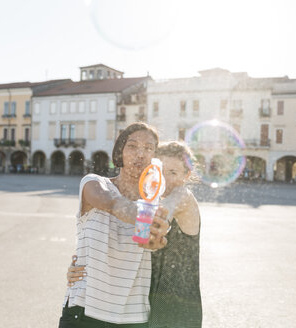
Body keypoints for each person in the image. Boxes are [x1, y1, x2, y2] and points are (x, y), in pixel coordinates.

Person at [68, 141, 203, 328]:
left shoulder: (184, 199)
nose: (165, 180)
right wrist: (81, 267)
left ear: (186, 175)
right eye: (160, 172)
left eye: (173, 173)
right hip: (147, 314)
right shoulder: (143, 206)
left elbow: (175, 202)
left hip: (179, 313)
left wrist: (160, 216)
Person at [59, 123, 170, 328]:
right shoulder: (94, 183)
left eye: (148, 148)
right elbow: (110, 202)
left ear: (155, 157)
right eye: (132, 146)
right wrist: (144, 215)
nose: (140, 153)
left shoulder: (157, 203)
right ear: (120, 151)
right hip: (84, 310)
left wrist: (157, 239)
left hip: (133, 316)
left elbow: (155, 244)